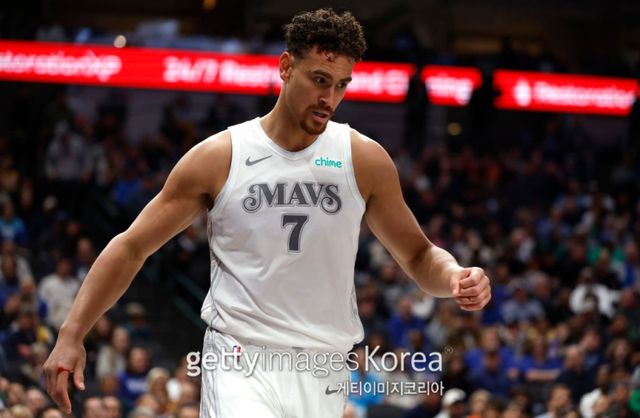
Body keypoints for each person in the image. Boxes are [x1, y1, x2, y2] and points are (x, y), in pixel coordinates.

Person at [43, 8, 491, 418]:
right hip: (240, 357)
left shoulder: (363, 159)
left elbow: (418, 256)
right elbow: (132, 246)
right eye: (319, 79)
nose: (329, 97)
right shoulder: (221, 156)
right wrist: (71, 333)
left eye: (341, 85)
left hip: (325, 364)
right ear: (285, 67)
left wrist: (454, 275)